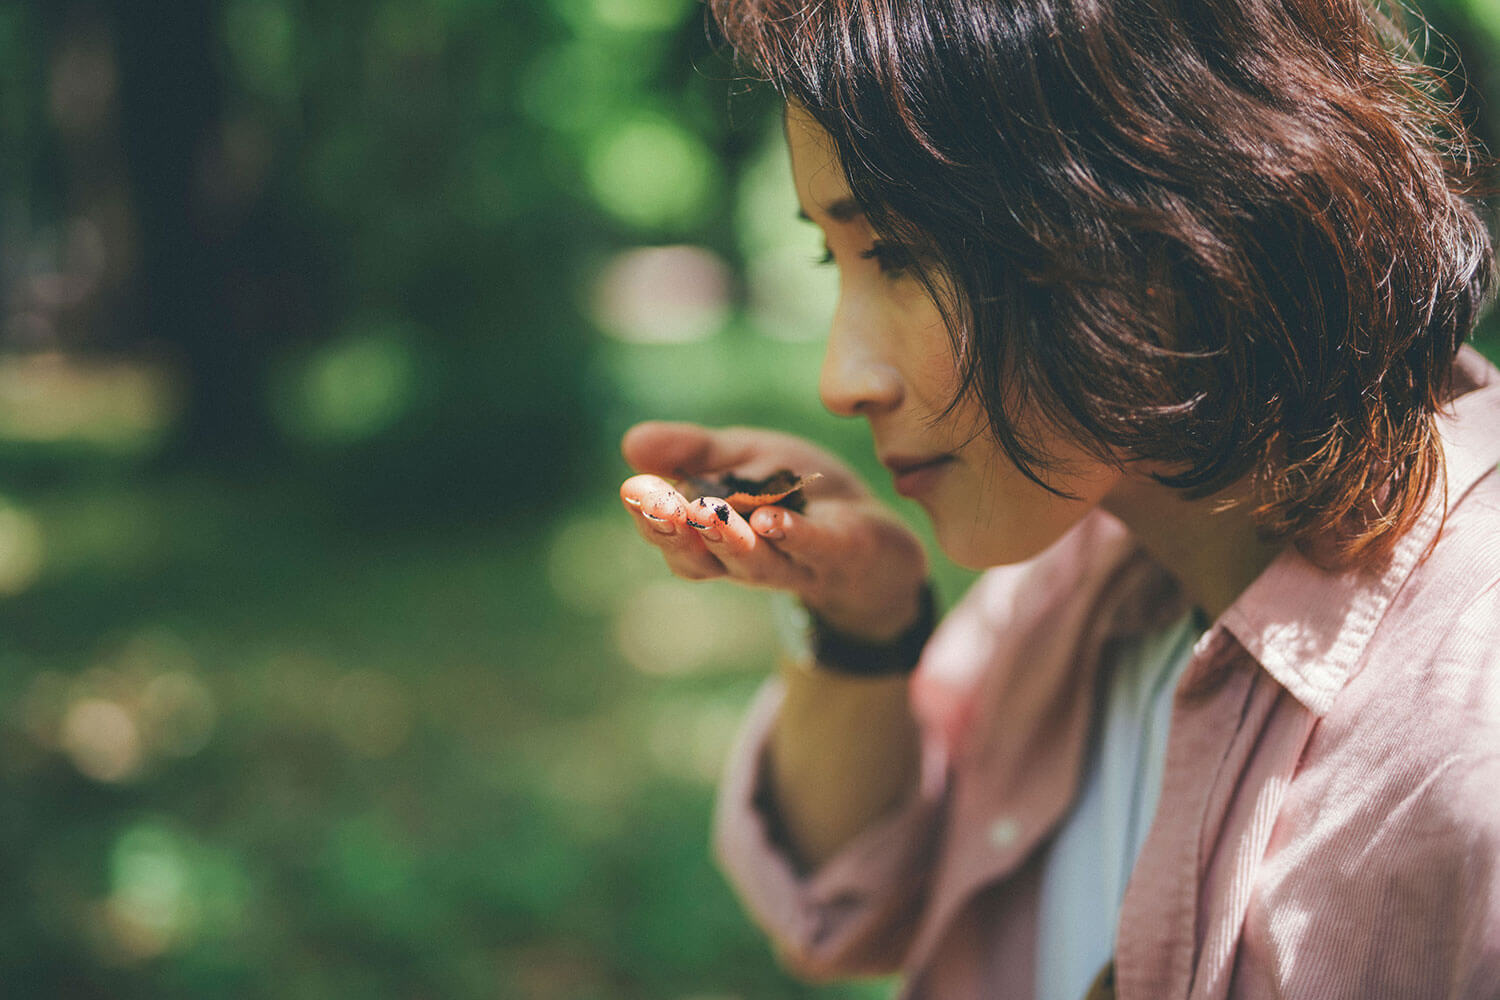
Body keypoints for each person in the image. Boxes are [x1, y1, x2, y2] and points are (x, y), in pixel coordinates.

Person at [617, 0, 1500, 995]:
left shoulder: (1468, 743)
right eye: (837, 255)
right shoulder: (1091, 555)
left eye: (901, 254)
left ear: (1159, 207)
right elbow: (843, 905)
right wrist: (862, 624)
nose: (840, 378)